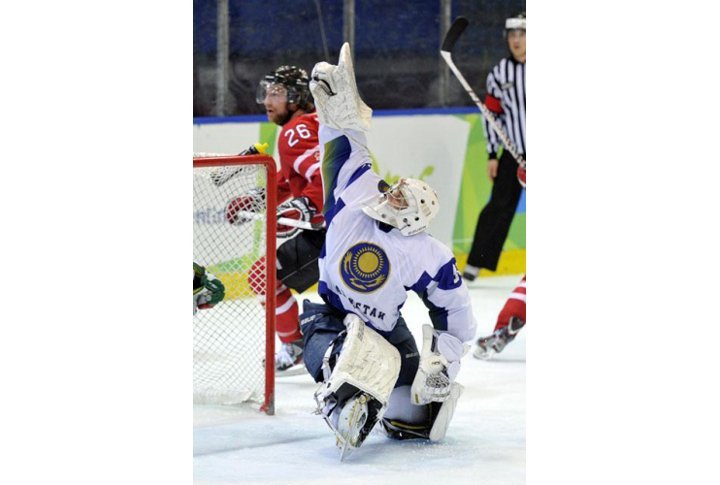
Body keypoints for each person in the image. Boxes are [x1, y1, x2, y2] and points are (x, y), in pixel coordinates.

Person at [299, 43, 477, 460]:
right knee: (333, 350)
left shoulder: (426, 254)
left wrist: (444, 365)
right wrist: (340, 113)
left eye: (400, 199)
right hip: (333, 313)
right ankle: (341, 398)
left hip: (383, 329)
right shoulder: (355, 197)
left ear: (413, 219)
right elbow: (345, 149)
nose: (391, 196)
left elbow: (455, 313)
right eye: (395, 192)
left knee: (416, 412)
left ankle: (392, 412)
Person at [225, 65, 325, 373]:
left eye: (277, 94)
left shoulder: (295, 132)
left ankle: (295, 342)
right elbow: (292, 177)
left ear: (296, 97)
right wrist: (260, 198)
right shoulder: (310, 124)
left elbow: (324, 178)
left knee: (262, 277)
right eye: (266, 93)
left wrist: (303, 208)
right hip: (344, 226)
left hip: (332, 233)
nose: (268, 100)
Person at [463, 12, 526, 281]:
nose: (516, 40)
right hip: (514, 153)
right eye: (511, 35)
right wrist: (492, 153)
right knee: (498, 206)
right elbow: (492, 117)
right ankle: (476, 263)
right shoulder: (500, 73)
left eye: (522, 34)